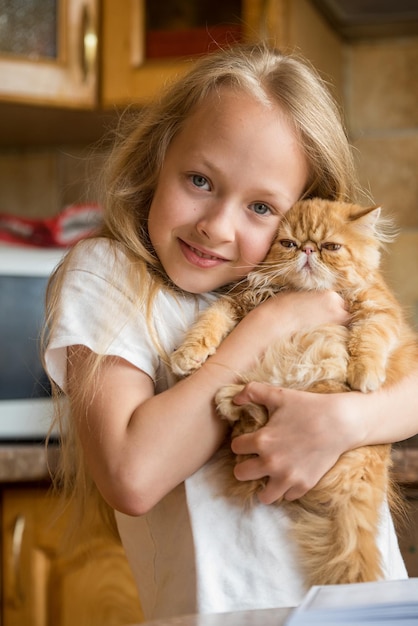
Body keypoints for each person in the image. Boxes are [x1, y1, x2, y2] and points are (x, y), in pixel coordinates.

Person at [43, 42, 418, 620]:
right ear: (158, 160)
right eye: (199, 179)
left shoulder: (309, 280)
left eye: (262, 208)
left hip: (367, 605)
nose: (217, 226)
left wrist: (347, 421)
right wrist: (266, 326)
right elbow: (132, 474)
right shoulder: (107, 273)